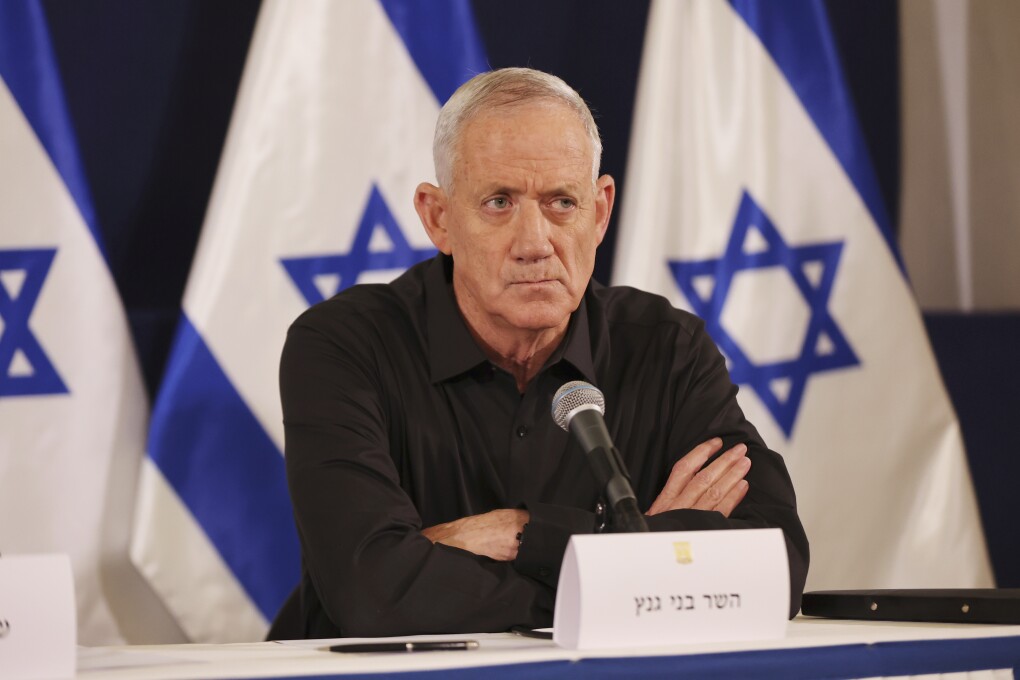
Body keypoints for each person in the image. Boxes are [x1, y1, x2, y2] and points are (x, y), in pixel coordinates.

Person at [280, 67, 808, 638]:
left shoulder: (665, 347)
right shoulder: (343, 346)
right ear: (439, 218)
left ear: (600, 211)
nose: (534, 243)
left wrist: (524, 533)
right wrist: (634, 569)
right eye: (499, 202)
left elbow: (775, 565)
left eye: (561, 202)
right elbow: (372, 594)